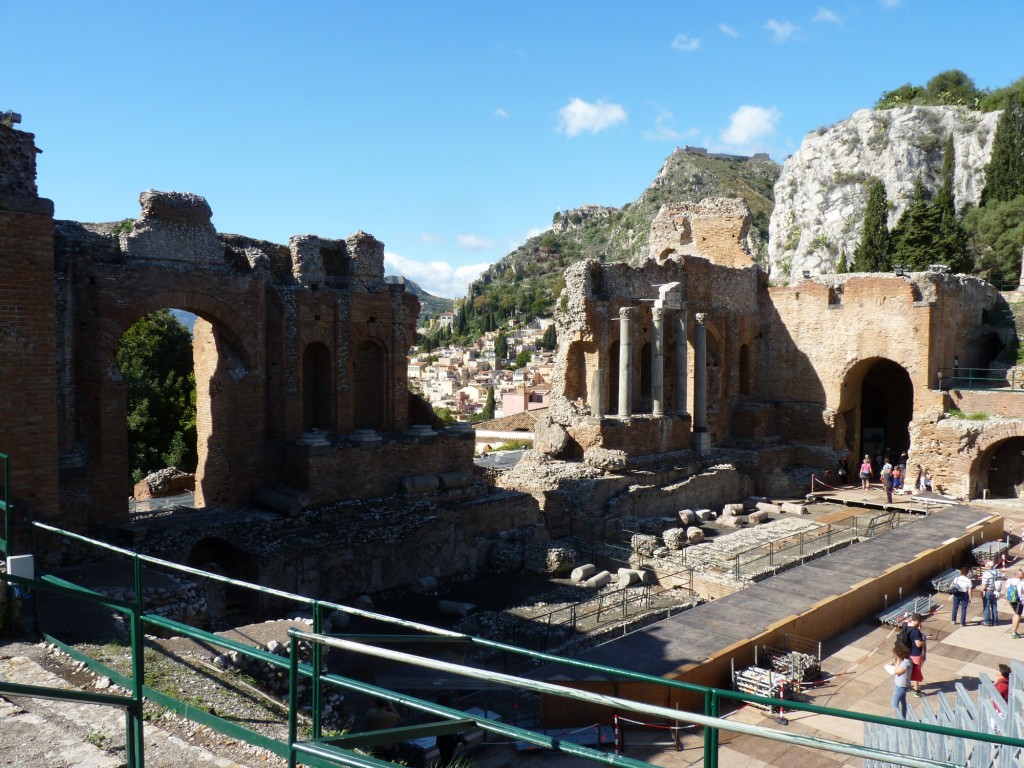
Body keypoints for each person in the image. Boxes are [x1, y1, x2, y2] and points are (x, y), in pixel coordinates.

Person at [887, 642, 913, 718]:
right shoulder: (908, 661)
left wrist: (898, 661)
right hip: (904, 685)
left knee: (894, 703)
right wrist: (895, 663)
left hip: (901, 686)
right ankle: (903, 717)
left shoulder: (905, 664)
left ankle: (899, 719)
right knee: (903, 702)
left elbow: (897, 672)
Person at [906, 613, 927, 697]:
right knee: (916, 672)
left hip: (908, 652)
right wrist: (924, 641)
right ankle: (916, 690)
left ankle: (907, 686)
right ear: (918, 621)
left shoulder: (907, 626)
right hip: (916, 654)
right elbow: (918, 644)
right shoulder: (916, 632)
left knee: (908, 670)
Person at [980, 560, 1001, 626]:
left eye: (985, 564)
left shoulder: (986, 573)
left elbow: (984, 586)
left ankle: (987, 621)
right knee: (994, 606)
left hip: (988, 592)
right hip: (995, 591)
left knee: (986, 606)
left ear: (988, 566)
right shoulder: (997, 572)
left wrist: (981, 592)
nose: (985, 565)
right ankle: (995, 622)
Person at [1007, 569, 1024, 638]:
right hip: (1019, 601)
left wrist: (1006, 599)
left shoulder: (1010, 580)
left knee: (1015, 613)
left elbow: (1007, 589)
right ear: (1019, 575)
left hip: (1011, 600)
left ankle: (1013, 628)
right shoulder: (1022, 582)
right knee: (1018, 615)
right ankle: (1014, 633)